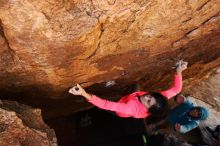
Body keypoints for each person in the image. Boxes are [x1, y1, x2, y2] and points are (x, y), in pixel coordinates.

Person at [69, 60, 188, 119]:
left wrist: (84, 93)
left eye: (148, 101)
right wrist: (178, 71)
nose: (147, 97)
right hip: (132, 96)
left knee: (103, 101)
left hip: (121, 107)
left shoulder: (130, 109)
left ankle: (82, 99)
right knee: (135, 87)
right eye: (150, 96)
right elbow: (176, 89)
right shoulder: (159, 100)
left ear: (148, 109)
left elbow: (105, 104)